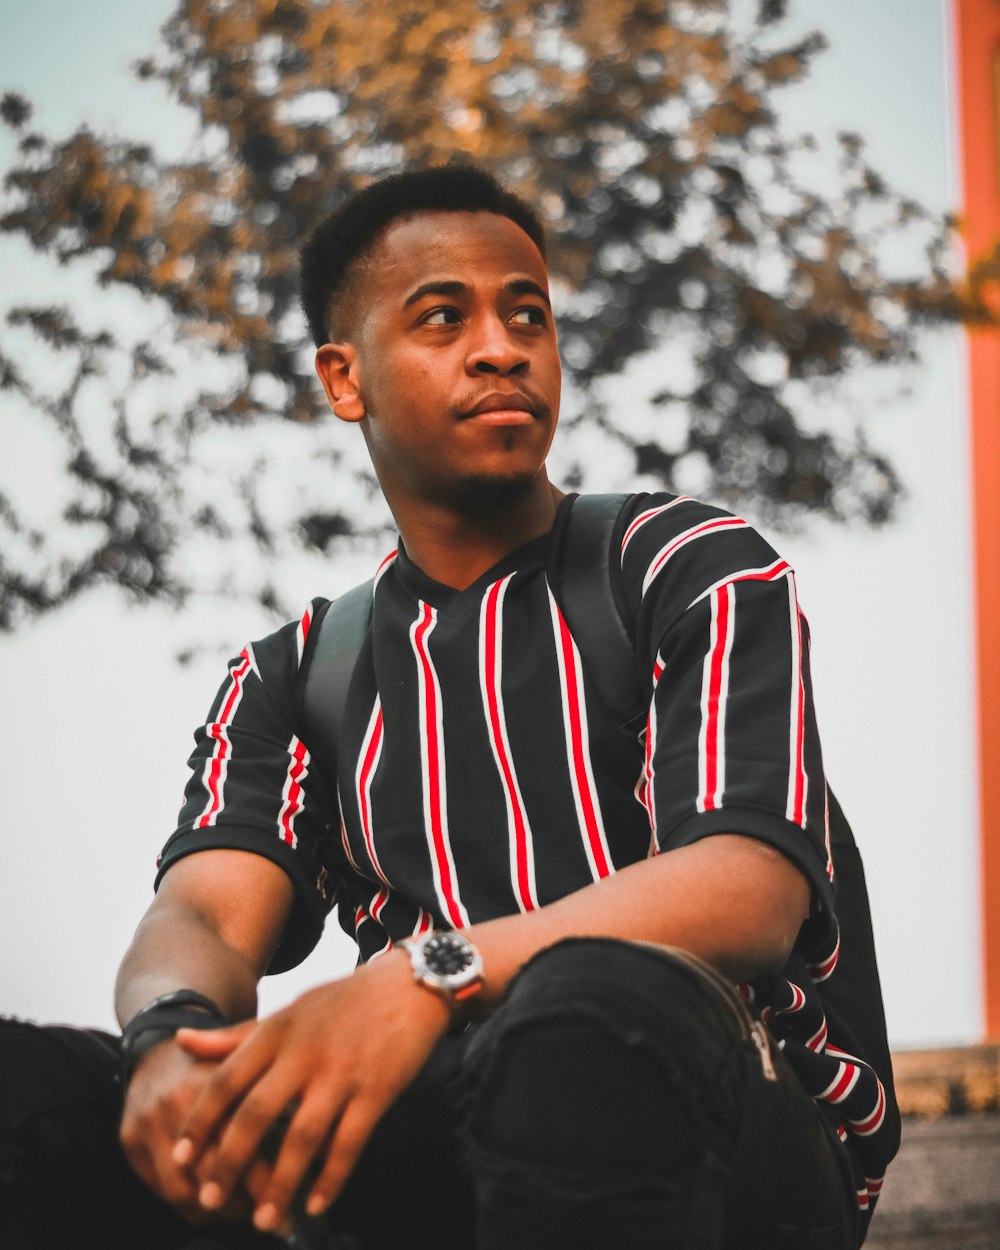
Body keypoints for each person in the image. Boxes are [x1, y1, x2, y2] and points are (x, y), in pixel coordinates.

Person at [0, 165, 898, 1250]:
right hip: (428, 1130)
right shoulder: (294, 673)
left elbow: (747, 888)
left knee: (587, 1004)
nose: (502, 346)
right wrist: (167, 1042)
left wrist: (427, 974)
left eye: (529, 313)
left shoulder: (681, 564)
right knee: (31, 1091)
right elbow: (200, 916)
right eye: (443, 317)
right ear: (345, 378)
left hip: (722, 1124)